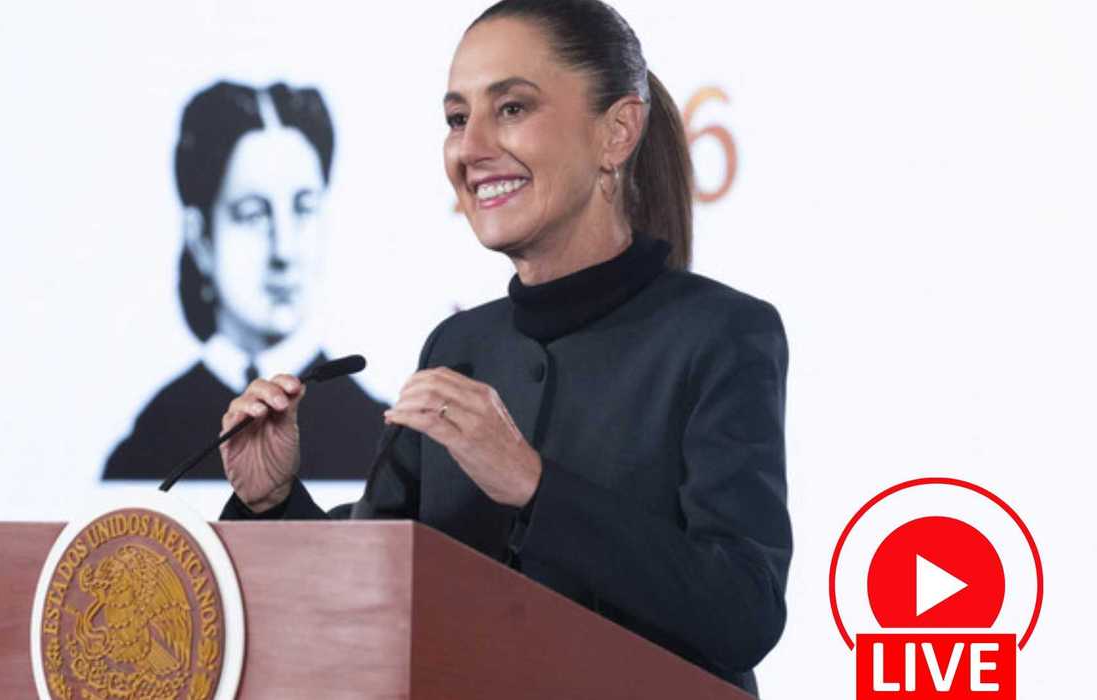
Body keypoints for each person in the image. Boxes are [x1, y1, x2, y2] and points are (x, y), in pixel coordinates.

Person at [218, 1, 790, 694]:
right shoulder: (458, 345)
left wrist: (532, 484)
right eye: (457, 119)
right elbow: (374, 584)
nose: (470, 146)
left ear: (616, 132)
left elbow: (741, 610)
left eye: (511, 108)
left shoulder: (717, 333)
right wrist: (271, 502)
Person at [103, 80, 386, 481]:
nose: (284, 251)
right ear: (200, 236)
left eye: (304, 209)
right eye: (254, 214)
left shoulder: (374, 430)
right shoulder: (152, 441)